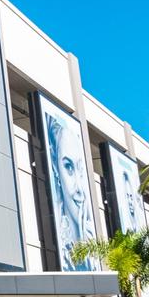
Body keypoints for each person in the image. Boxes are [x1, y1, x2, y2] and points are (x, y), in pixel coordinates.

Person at [45, 111, 96, 271]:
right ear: (55, 165)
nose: (79, 189)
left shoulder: (95, 245)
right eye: (68, 167)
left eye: (81, 169)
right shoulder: (57, 242)